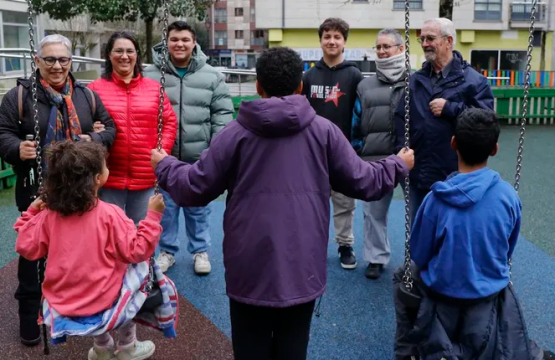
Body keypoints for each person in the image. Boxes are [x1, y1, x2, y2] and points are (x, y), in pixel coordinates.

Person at [150, 47, 414, 360]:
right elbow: (365, 181)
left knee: (250, 347)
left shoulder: (235, 134)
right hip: (301, 263)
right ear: (300, 86)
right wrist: (397, 164)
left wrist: (164, 165)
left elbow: (195, 186)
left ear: (258, 86)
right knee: (293, 346)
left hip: (248, 263)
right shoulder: (323, 132)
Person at [393, 108, 554, 360]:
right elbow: (507, 249)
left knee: (402, 276)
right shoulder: (508, 196)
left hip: (442, 292)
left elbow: (420, 254)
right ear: (495, 149)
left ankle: (407, 349)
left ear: (453, 143)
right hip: (488, 292)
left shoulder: (436, 200)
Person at [0, 34, 116, 346]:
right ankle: (29, 316)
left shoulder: (85, 96)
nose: (56, 65)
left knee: (77, 253)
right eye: (49, 59)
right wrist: (16, 147)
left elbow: (110, 129)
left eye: (62, 59)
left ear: (71, 62)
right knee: (32, 253)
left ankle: (78, 312)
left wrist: (94, 139)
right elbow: (2, 133)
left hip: (80, 192)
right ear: (37, 61)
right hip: (38, 190)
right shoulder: (20, 97)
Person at [13, 140, 171, 360]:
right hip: (104, 297)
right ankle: (127, 346)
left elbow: (25, 245)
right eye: (105, 166)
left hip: (64, 300)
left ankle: (102, 347)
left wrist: (31, 211)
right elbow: (137, 251)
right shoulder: (110, 215)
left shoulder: (48, 216)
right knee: (136, 271)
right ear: (98, 179)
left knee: (103, 280)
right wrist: (153, 217)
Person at [144, 21, 234, 275]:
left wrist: (214, 152)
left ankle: (200, 251)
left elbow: (222, 115)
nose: (179, 44)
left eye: (185, 39)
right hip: (164, 156)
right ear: (166, 42)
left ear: (194, 43)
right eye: (174, 39)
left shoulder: (212, 76)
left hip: (198, 157)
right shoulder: (152, 74)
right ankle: (167, 251)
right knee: (167, 209)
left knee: (198, 209)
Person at [394, 18, 494, 224]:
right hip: (419, 173)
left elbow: (486, 121)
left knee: (453, 230)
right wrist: (401, 150)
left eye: (430, 38)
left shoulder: (473, 81)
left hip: (456, 175)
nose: (424, 44)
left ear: (448, 41)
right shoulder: (416, 81)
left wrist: (451, 108)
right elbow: (400, 117)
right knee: (419, 231)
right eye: (422, 39)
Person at [88, 31, 177, 225]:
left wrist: (163, 150)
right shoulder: (95, 89)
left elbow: (169, 121)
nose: (124, 56)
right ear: (109, 55)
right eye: (118, 51)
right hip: (109, 173)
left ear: (137, 55)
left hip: (145, 172)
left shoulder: (154, 89)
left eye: (130, 51)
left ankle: (143, 258)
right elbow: (83, 122)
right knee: (110, 228)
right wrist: (92, 129)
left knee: (141, 229)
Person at [301, 17, 364, 270]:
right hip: (312, 153)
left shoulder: (354, 75)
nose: (331, 41)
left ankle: (345, 244)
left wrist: (356, 147)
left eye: (337, 37)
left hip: (344, 152)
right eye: (327, 36)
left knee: (344, 203)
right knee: (311, 202)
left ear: (344, 42)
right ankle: (311, 245)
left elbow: (360, 114)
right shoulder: (308, 76)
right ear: (320, 41)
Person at [351, 28, 405, 280]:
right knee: (373, 213)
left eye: (387, 47)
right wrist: (358, 149)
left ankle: (418, 259)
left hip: (410, 157)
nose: (382, 52)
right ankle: (376, 258)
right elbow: (355, 120)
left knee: (417, 211)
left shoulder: (415, 81)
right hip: (374, 157)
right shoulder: (365, 85)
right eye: (378, 47)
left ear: (401, 49)